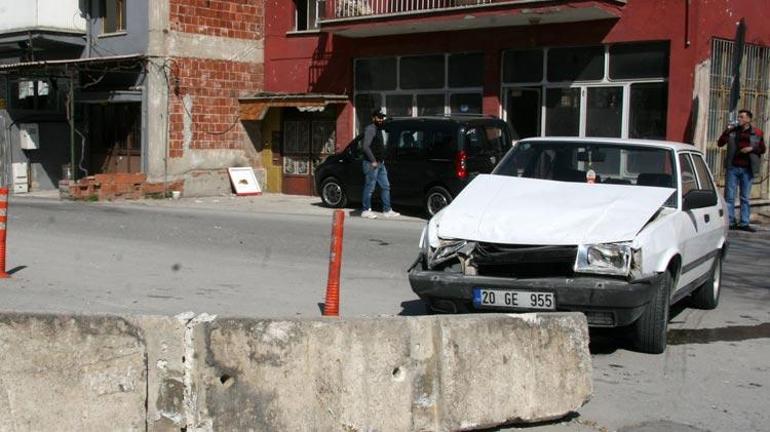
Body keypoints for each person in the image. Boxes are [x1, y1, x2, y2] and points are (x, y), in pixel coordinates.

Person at [717, 109, 766, 232]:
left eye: (742, 117)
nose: (739, 119)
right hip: (733, 167)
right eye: (739, 117)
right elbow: (720, 143)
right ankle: (731, 221)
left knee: (744, 197)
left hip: (747, 169)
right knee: (730, 196)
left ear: (748, 119)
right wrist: (726, 130)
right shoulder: (732, 132)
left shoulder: (757, 133)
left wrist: (751, 148)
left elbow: (762, 149)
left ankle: (744, 223)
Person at [361, 109, 400, 219]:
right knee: (370, 187)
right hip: (371, 163)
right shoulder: (370, 129)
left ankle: (387, 210)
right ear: (373, 118)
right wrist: (373, 160)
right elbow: (365, 146)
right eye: (379, 117)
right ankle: (365, 210)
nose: (381, 119)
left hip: (380, 163)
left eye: (382, 117)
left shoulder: (379, 129)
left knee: (385, 186)